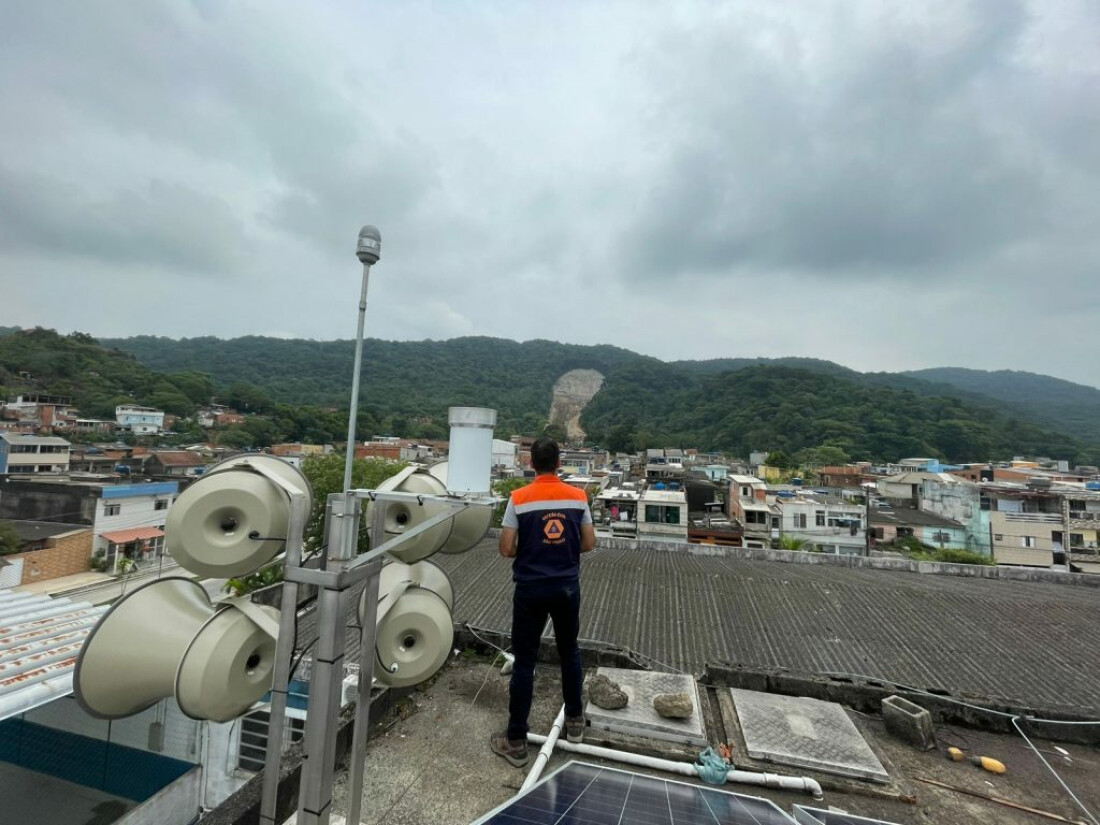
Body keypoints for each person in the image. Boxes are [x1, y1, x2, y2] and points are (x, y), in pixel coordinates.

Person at [490, 438, 597, 767]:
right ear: (559, 462)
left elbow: (506, 548)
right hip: (566, 587)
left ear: (531, 463)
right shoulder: (578, 497)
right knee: (569, 651)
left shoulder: (519, 498)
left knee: (525, 661)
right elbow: (589, 543)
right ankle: (575, 722)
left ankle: (516, 740)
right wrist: (561, 549)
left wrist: (532, 547)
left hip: (530, 588)